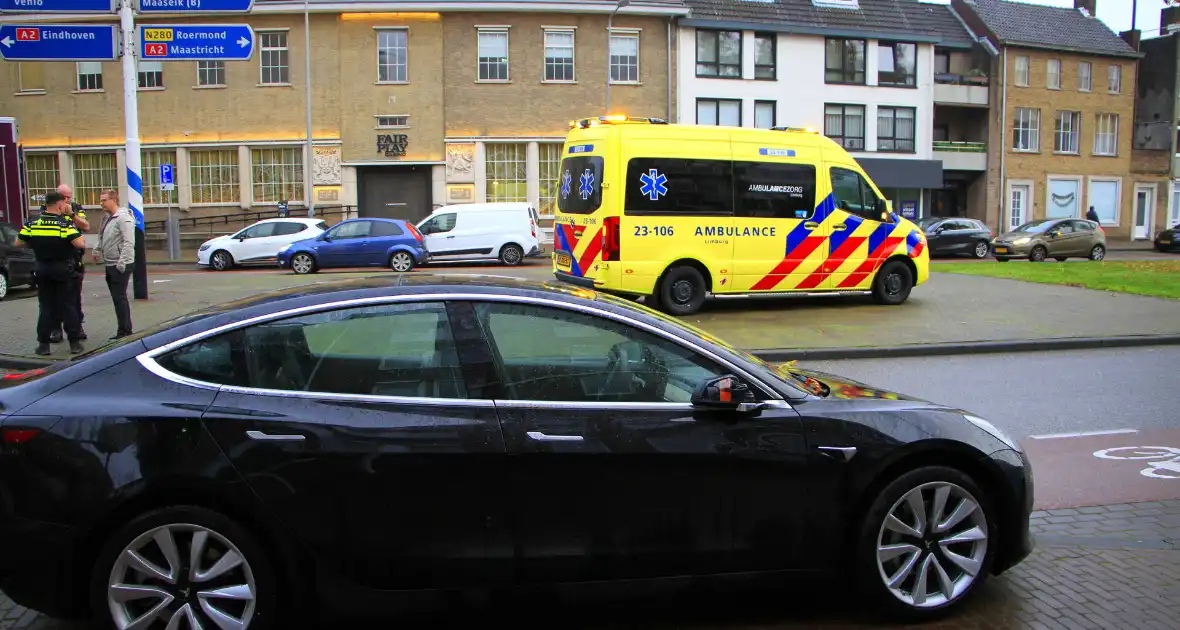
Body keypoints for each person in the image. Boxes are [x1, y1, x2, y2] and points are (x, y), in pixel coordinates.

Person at [16, 191, 87, 356]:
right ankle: (74, 344)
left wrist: (35, 245)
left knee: (46, 307)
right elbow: (80, 244)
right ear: (60, 205)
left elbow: (18, 242)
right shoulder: (64, 225)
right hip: (62, 269)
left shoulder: (33, 223)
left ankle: (43, 345)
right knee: (68, 306)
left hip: (42, 269)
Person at [40, 184, 89, 343]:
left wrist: (72, 215)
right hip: (52, 259)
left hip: (73, 259)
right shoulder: (46, 209)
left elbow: (85, 226)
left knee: (74, 297)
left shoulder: (75, 208)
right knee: (52, 298)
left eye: (69, 197)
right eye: (64, 197)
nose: (67, 200)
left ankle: (77, 327)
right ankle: (56, 329)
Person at [94, 189, 135, 339]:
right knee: (117, 298)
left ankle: (125, 331)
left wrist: (122, 262)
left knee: (119, 298)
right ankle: (123, 329)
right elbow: (103, 236)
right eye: (101, 200)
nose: (101, 203)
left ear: (113, 200)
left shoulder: (123, 218)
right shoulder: (107, 218)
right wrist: (97, 249)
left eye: (104, 200)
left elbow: (129, 242)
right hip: (110, 263)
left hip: (119, 264)